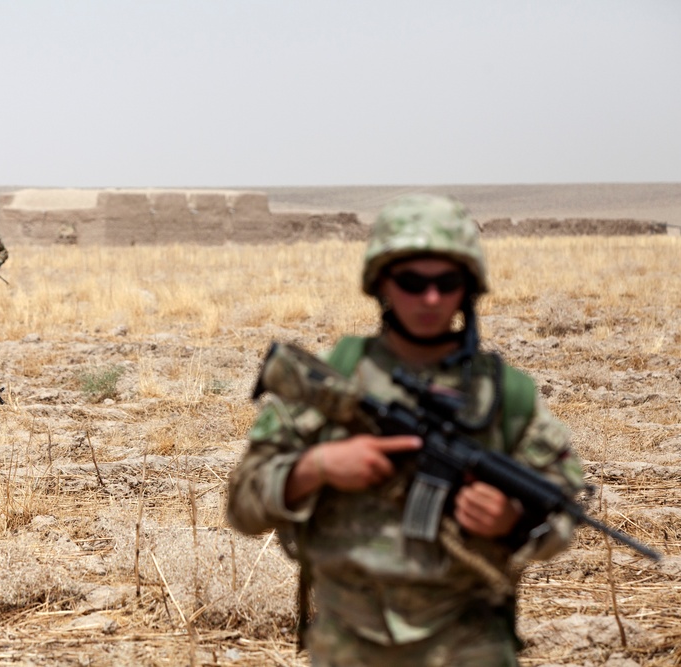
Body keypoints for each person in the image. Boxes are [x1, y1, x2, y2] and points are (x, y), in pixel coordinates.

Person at [227, 194, 585, 666]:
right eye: (412, 282)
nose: (430, 299)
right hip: (346, 647)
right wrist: (313, 469)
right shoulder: (334, 385)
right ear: (382, 284)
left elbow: (564, 510)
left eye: (447, 282)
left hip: (470, 647)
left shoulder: (506, 397)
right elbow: (242, 508)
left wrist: (514, 521)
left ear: (468, 288)